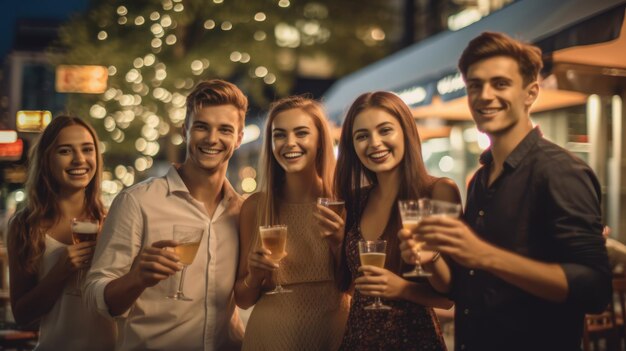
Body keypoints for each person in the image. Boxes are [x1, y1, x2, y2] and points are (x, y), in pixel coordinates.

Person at [400, 32, 612, 350]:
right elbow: (465, 289)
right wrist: (431, 260)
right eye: (475, 85)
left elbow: (594, 291)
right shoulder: (480, 180)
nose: (485, 95)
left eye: (500, 84)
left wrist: (485, 255)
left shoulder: (559, 171)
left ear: (530, 93)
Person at [84, 79, 247, 350]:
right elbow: (94, 295)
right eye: (201, 126)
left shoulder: (242, 212)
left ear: (239, 138)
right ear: (185, 131)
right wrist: (136, 278)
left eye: (225, 130)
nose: (212, 138)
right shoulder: (137, 202)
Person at [335, 91, 460, 350]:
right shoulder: (357, 200)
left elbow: (449, 296)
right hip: (358, 340)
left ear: (406, 132)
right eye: (362, 136)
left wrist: (404, 286)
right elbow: (348, 287)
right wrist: (333, 241)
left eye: (385, 130)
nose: (375, 143)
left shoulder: (439, 191)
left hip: (413, 339)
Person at [234, 96, 350, 350]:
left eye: (301, 133)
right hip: (272, 338)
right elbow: (242, 300)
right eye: (279, 135)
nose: (290, 143)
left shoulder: (343, 201)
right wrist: (254, 277)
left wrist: (340, 244)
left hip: (334, 334)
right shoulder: (255, 207)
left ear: (320, 139)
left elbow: (357, 287)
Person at [7, 116, 116, 350]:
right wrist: (61, 271)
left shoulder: (114, 220)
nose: (79, 159)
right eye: (65, 151)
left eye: (87, 149)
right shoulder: (25, 225)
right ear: (47, 160)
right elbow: (22, 315)